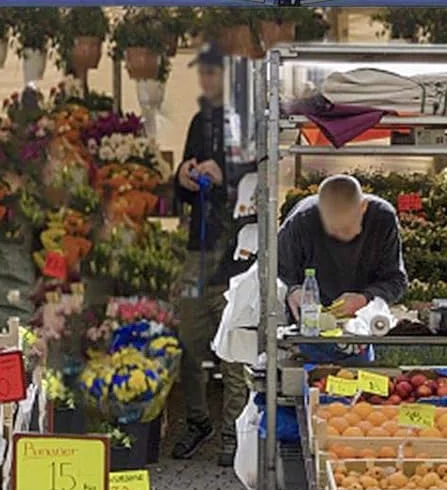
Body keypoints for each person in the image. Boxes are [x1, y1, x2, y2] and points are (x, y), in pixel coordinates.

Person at [170, 48, 248, 464]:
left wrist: (228, 176)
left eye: (212, 73)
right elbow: (184, 181)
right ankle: (197, 420)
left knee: (233, 346)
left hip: (238, 250)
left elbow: (266, 176)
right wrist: (183, 175)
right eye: (202, 73)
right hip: (198, 249)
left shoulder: (250, 122)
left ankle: (233, 433)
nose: (205, 81)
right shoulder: (201, 121)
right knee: (189, 340)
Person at [277, 174, 407, 320]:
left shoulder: (382, 218)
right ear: (320, 211)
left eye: (347, 227)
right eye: (332, 228)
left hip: (362, 320)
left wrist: (365, 298)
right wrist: (293, 290)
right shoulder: (301, 220)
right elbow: (275, 271)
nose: (341, 235)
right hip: (310, 321)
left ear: (363, 207)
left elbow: (395, 280)